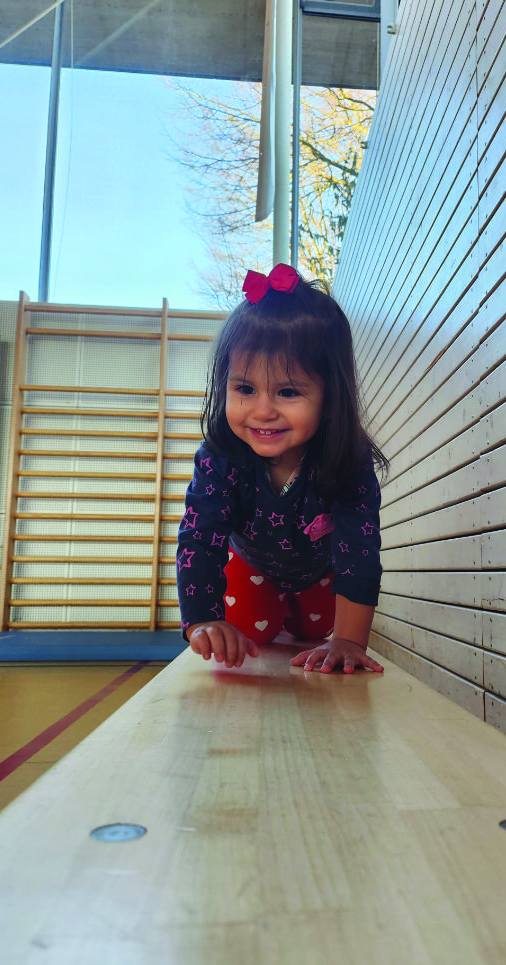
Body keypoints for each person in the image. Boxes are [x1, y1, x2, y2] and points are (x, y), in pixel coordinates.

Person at [176, 262, 388, 674]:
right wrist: (202, 620)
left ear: (331, 395)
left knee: (315, 632)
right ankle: (269, 607)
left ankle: (302, 613)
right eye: (245, 388)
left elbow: (358, 549)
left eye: (287, 392)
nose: (262, 411)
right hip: (251, 566)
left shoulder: (347, 459)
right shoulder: (220, 456)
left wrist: (348, 640)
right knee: (252, 633)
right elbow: (200, 537)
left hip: (320, 574)